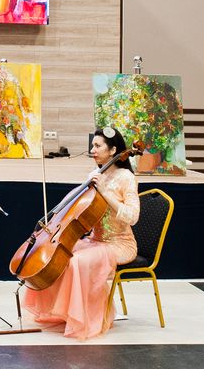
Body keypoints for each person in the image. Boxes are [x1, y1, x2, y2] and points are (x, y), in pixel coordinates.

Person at [22, 126, 140, 340]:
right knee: (59, 255)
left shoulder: (126, 177)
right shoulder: (95, 174)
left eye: (97, 146)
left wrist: (105, 192)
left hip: (119, 244)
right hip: (95, 240)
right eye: (92, 145)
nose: (92, 150)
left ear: (113, 150)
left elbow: (132, 216)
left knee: (77, 261)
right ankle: (64, 313)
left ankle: (87, 318)